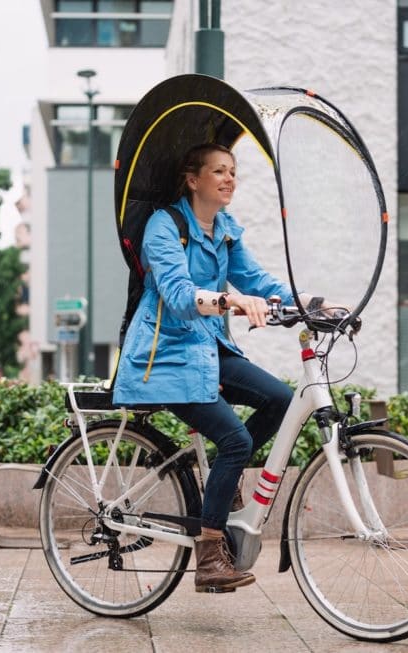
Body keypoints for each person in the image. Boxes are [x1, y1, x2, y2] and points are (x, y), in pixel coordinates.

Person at [113, 143, 331, 593]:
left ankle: (220, 475)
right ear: (193, 180)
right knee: (236, 439)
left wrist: (315, 303)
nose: (230, 179)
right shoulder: (164, 226)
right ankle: (211, 556)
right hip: (167, 358)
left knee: (283, 399)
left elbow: (260, 283)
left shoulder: (226, 231)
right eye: (219, 171)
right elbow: (176, 293)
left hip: (208, 348)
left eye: (233, 171)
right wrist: (228, 301)